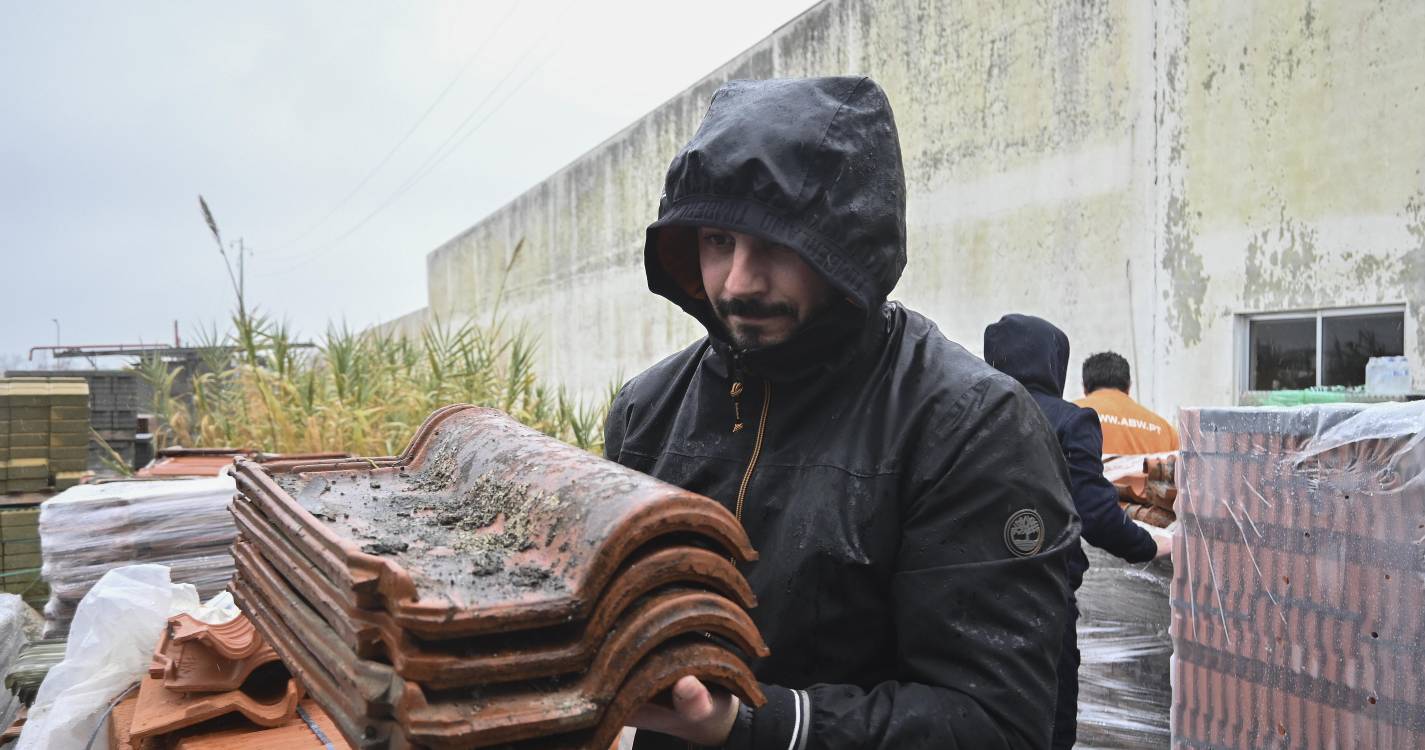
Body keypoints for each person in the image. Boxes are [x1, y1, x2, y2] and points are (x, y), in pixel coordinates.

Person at [604, 76, 1080, 750]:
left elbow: (995, 724)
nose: (737, 281)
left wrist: (748, 723)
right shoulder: (646, 411)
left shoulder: (966, 424)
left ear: (848, 244)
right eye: (716, 241)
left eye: (774, 243)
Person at [982, 314, 1172, 750]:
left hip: (969, 597)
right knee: (1049, 725)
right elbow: (1097, 514)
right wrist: (1150, 544)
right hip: (1040, 600)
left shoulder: (968, 413)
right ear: (1054, 362)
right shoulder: (1071, 420)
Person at [1073, 352, 1178, 455]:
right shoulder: (1165, 430)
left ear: (1084, 388)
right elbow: (1181, 469)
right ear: (1128, 386)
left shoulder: (1067, 415)